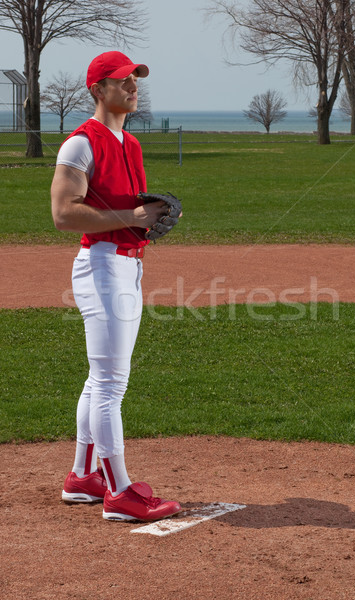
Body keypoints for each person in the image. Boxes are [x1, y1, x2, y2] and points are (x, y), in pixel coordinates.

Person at [51, 51, 181, 522]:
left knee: (99, 378)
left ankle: (83, 477)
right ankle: (120, 492)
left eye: (135, 80)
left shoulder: (130, 142)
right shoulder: (80, 144)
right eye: (123, 80)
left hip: (128, 265)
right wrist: (132, 217)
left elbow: (125, 206)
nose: (133, 87)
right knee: (110, 383)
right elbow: (64, 214)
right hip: (103, 265)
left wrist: (146, 216)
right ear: (97, 89)